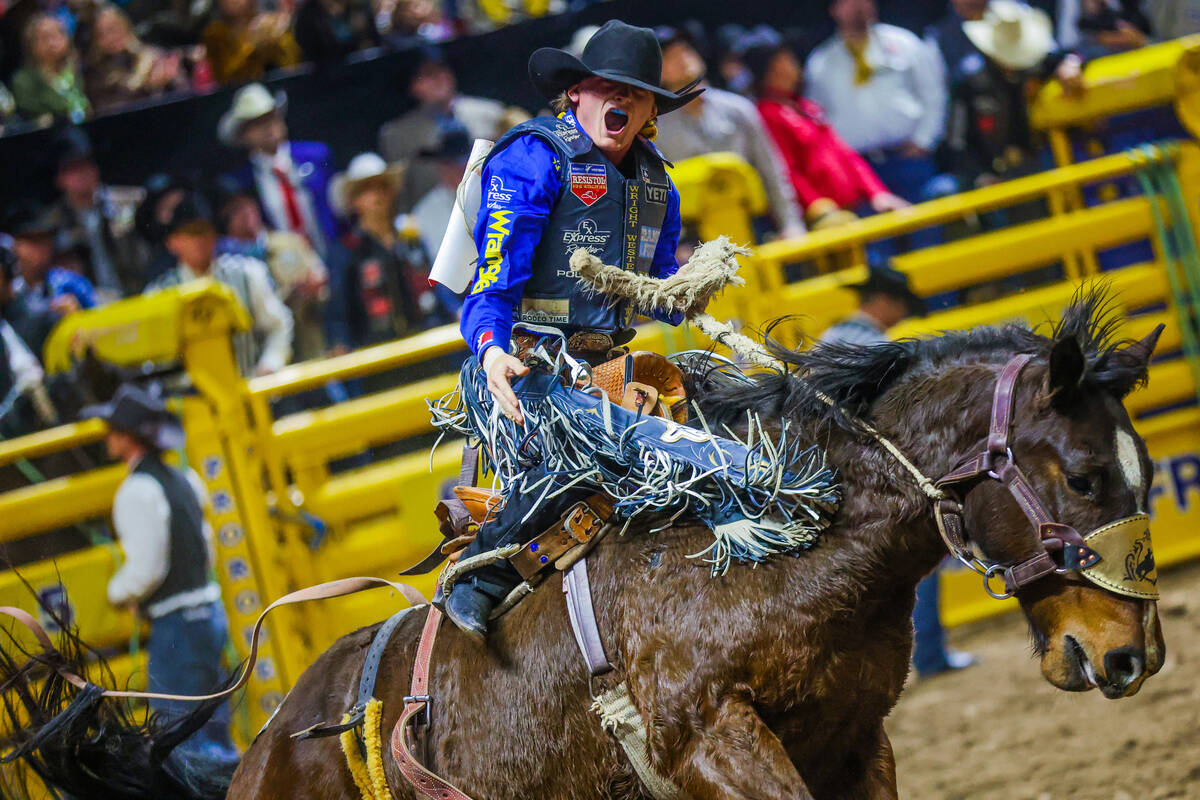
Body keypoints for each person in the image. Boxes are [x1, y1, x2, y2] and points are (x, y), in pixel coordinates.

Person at [444, 20, 703, 639]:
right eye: (606, 86)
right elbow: (491, 283)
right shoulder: (532, 157)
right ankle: (482, 576)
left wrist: (692, 286)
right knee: (584, 451)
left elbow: (659, 295)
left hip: (611, 370)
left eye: (636, 93)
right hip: (527, 366)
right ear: (577, 93)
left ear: (648, 112)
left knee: (707, 421)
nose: (622, 100)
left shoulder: (655, 181)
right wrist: (491, 352)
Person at [819, 266, 976, 679]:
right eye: (900, 306)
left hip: (830, 477)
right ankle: (929, 656)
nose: (901, 315)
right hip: (881, 478)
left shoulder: (829, 340)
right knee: (918, 557)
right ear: (884, 301)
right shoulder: (879, 347)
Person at [83, 383, 239, 766]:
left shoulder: (136, 491)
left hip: (177, 626)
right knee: (212, 728)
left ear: (127, 438)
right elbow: (205, 547)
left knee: (180, 742)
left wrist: (118, 592)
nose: (108, 438)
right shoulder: (185, 479)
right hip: (207, 616)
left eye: (113, 431)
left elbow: (146, 570)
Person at [653, 25, 807, 240]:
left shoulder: (738, 108)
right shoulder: (655, 128)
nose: (682, 58)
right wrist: (675, 246)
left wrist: (791, 224)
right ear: (658, 73)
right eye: (669, 56)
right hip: (697, 236)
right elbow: (658, 194)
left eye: (685, 50)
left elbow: (771, 169)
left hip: (754, 224)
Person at [743, 40, 908, 231]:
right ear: (773, 68)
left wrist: (877, 192)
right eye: (785, 59)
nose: (793, 63)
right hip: (823, 223)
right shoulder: (767, 114)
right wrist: (818, 208)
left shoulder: (807, 107)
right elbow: (784, 172)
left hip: (857, 209)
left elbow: (844, 153)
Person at [805, 0, 947, 206]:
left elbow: (933, 92)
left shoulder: (904, 42)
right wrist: (841, 164)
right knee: (877, 236)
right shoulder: (821, 62)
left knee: (927, 232)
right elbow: (818, 123)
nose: (859, 6)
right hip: (860, 169)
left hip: (910, 158)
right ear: (834, 9)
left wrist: (924, 140)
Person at [146, 191, 293, 377]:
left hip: (252, 388)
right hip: (196, 400)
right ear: (173, 242)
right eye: (190, 233)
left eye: (204, 231)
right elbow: (158, 357)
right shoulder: (159, 294)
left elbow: (278, 326)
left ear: (215, 235)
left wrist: (270, 364)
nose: (199, 240)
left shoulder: (248, 274)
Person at [943, 1, 1082, 193]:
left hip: (1042, 157)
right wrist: (980, 174)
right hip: (996, 168)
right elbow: (958, 141)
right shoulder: (969, 82)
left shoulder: (1037, 63)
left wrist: (1071, 63)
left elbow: (1067, 56)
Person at [220, 83, 341, 262]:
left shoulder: (317, 156)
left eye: (271, 117)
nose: (268, 127)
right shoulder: (242, 182)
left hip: (334, 257)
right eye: (257, 123)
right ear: (243, 135)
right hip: (285, 272)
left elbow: (339, 205)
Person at [215, 178, 330, 361]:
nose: (245, 214)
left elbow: (323, 282)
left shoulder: (290, 242)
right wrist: (286, 298)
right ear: (224, 220)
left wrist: (316, 288)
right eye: (235, 210)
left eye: (247, 205)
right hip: (263, 359)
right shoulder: (225, 266)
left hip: (309, 345)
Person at [377, 51, 506, 210]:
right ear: (412, 86)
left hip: (494, 207)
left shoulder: (491, 113)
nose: (439, 78)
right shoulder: (397, 135)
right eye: (428, 75)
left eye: (442, 70)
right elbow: (399, 193)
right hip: (433, 219)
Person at [331, 152, 431, 348]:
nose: (378, 195)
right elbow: (339, 312)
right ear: (354, 201)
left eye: (383, 186)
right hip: (377, 352)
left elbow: (435, 286)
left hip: (425, 341)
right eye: (367, 189)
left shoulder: (411, 238)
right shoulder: (347, 252)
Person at [50, 127, 147, 301]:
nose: (81, 175)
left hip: (136, 294)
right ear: (60, 178)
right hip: (87, 305)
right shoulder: (51, 222)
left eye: (85, 165)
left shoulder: (130, 201)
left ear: (95, 168)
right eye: (72, 169)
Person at [7, 201, 96, 355]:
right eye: (32, 242)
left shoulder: (71, 283)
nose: (39, 249)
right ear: (15, 246)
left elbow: (97, 322)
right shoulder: (9, 291)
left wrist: (77, 315)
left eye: (44, 241)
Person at [84, 3, 189, 113]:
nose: (111, 37)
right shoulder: (94, 74)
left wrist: (173, 76)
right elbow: (112, 111)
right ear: (95, 41)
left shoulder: (149, 53)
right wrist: (142, 80)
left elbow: (184, 93)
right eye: (102, 34)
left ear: (126, 26)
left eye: (115, 28)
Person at [10, 13, 89, 122]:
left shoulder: (80, 67)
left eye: (59, 34)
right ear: (31, 44)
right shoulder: (23, 81)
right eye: (45, 37)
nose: (53, 43)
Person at [202, 0, 301, 85]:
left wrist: (277, 40)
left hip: (277, 87)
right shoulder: (215, 33)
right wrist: (252, 46)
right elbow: (225, 79)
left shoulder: (270, 23)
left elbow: (292, 67)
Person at [292, 0, 380, 65]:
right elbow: (311, 52)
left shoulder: (358, 7)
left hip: (363, 73)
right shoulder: (308, 15)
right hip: (327, 80)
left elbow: (374, 42)